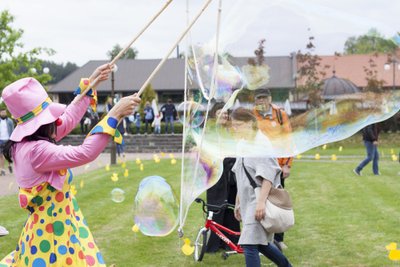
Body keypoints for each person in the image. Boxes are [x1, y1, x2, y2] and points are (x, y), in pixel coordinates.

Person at [0, 63, 141, 266]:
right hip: (54, 236)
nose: (56, 120)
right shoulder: (37, 151)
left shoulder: (25, 144)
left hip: (50, 229)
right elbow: (84, 153)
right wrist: (115, 114)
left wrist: (91, 83)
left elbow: (66, 120)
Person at [230, 108, 292, 267]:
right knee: (260, 244)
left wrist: (261, 203)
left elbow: (268, 175)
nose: (234, 128)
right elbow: (241, 175)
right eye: (233, 125)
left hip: (258, 200)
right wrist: (238, 202)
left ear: (250, 123)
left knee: (249, 244)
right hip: (247, 201)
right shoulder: (242, 144)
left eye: (238, 124)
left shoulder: (261, 143)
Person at [253, 88, 293, 250]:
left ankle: (279, 239)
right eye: (258, 99)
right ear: (255, 100)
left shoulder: (280, 114)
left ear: (270, 98)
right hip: (257, 165)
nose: (261, 101)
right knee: (259, 200)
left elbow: (288, 139)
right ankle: (261, 238)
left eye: (264, 98)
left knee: (277, 201)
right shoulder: (252, 115)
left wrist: (287, 164)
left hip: (277, 165)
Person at [206, 157, 240, 253]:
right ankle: (214, 242)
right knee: (216, 208)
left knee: (230, 208)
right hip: (217, 171)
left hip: (231, 171)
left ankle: (230, 242)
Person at [0, 108, 14, 175]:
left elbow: (12, 130)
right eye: (2, 112)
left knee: (8, 155)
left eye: (4, 112)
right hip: (0, 140)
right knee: (1, 156)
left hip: (8, 140)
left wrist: (12, 140)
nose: (3, 114)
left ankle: (9, 165)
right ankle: (2, 169)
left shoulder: (10, 121)